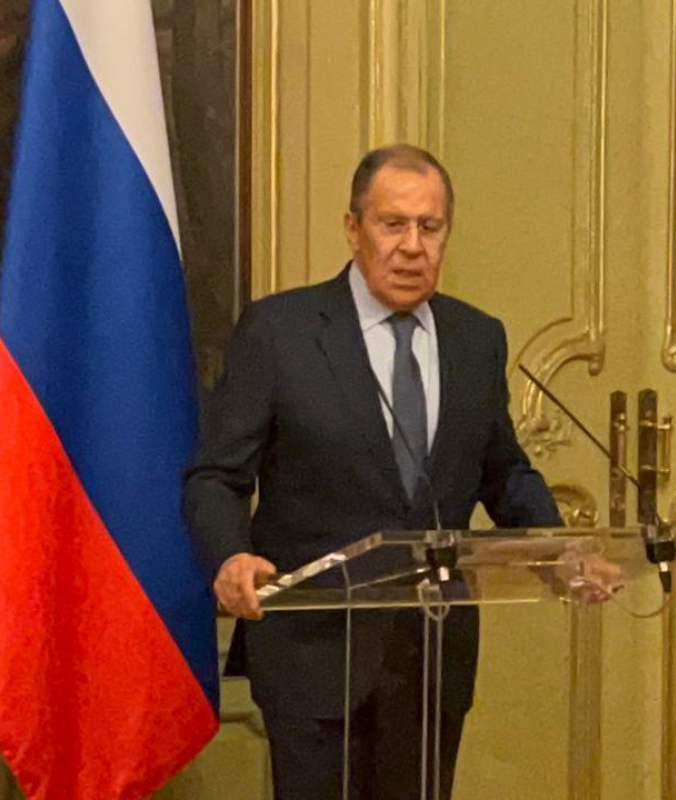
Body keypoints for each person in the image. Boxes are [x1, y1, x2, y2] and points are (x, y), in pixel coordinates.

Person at [182, 144, 563, 799]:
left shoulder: (476, 338)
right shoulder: (280, 331)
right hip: (313, 653)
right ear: (353, 229)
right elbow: (215, 475)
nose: (412, 246)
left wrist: (561, 546)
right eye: (393, 225)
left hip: (430, 657)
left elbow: (502, 471)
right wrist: (230, 557)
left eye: (429, 227)